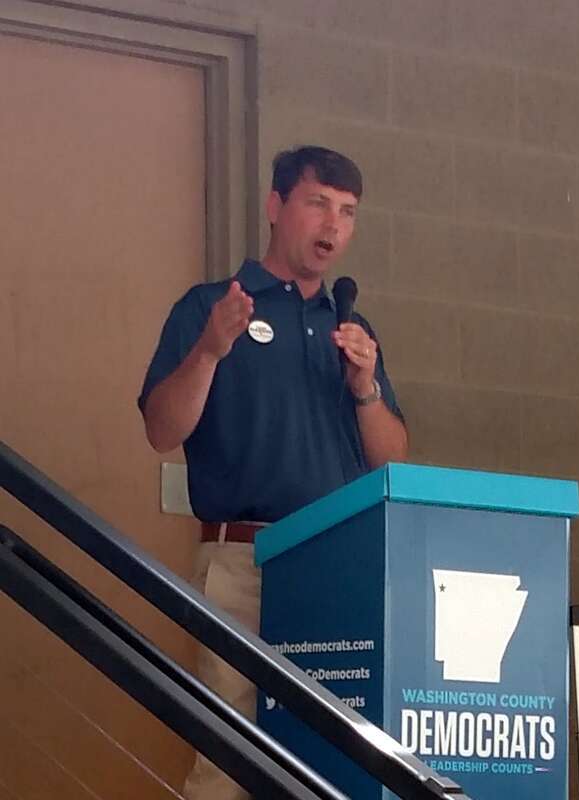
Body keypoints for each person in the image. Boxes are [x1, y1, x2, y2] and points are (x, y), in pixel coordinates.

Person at [138, 145, 408, 800]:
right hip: (242, 565)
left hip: (335, 570)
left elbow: (393, 461)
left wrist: (366, 386)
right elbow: (160, 430)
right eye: (317, 203)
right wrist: (209, 350)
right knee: (229, 763)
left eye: (347, 212)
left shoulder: (349, 323)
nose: (332, 226)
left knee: (326, 764)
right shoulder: (210, 306)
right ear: (275, 206)